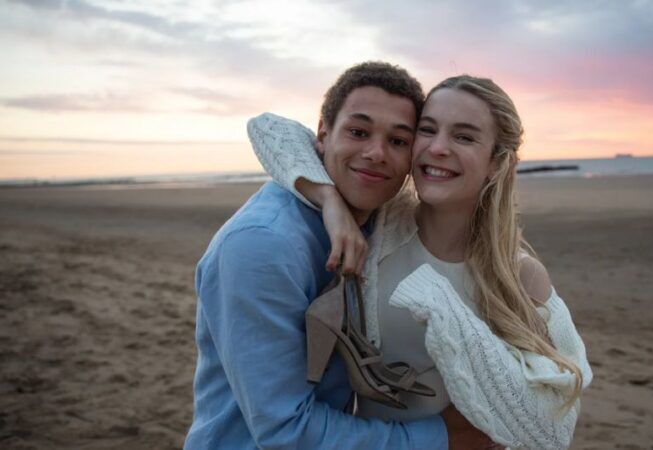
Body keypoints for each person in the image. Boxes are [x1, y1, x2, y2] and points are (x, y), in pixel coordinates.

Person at [250, 75, 593, 448]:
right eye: (427, 131)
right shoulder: (382, 226)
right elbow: (269, 128)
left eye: (463, 137)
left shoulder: (519, 275)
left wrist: (442, 307)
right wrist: (329, 200)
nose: (439, 148)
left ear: (496, 162)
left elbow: (552, 427)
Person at [185, 62, 494, 449]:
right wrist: (441, 439)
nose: (376, 153)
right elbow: (286, 432)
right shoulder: (263, 247)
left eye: (398, 141)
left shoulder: (380, 220)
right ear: (323, 134)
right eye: (358, 132)